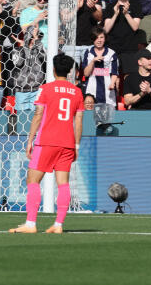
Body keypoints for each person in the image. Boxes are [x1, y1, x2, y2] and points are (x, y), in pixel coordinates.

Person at [9, 53, 83, 234]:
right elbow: (79, 120)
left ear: (54, 69)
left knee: (32, 180)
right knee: (63, 184)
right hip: (67, 143)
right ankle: (58, 225)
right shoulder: (77, 91)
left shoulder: (46, 89)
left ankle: (31, 223)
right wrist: (76, 146)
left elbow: (38, 114)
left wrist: (30, 140)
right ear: (70, 71)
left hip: (47, 141)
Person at [103, 0, 143, 75]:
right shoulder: (110, 6)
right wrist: (115, 14)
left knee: (129, 76)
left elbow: (135, 27)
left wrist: (126, 14)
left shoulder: (136, 5)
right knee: (112, 76)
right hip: (113, 47)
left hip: (129, 48)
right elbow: (106, 29)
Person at [80, 27, 118, 125]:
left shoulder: (111, 53)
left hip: (107, 91)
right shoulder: (87, 52)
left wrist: (112, 83)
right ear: (93, 39)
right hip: (91, 90)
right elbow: (86, 73)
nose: (99, 40)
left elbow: (114, 73)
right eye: (96, 38)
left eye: (101, 37)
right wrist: (93, 61)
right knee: (91, 118)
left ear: (105, 39)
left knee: (107, 118)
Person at [12, 25, 45, 112]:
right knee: (22, 118)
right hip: (22, 90)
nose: (36, 37)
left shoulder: (40, 49)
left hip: (37, 90)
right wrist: (22, 49)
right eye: (33, 35)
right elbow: (18, 63)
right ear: (28, 36)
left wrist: (37, 40)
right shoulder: (17, 49)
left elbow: (44, 58)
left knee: (35, 118)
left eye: (38, 36)